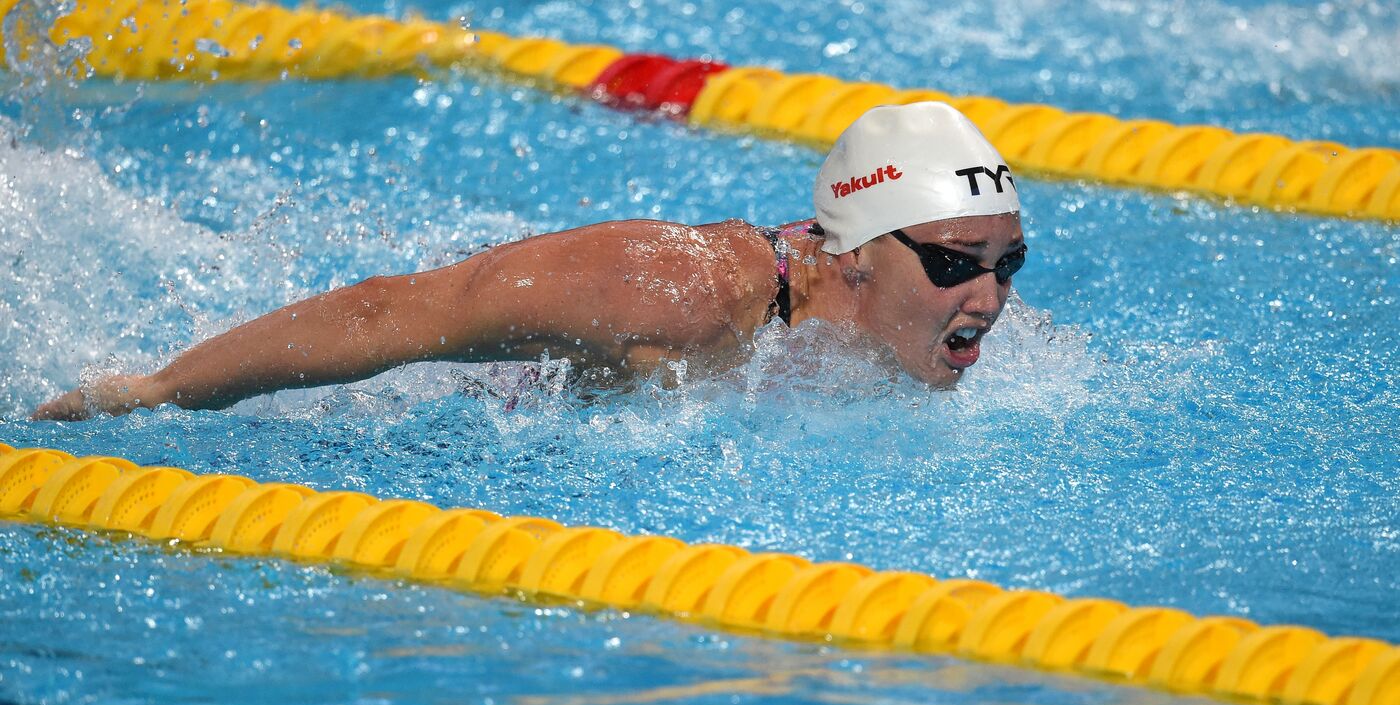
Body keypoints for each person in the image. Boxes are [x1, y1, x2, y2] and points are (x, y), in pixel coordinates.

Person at [30, 102, 1026, 421]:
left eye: (1007, 263)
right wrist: (154, 388)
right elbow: (395, 315)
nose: (986, 297)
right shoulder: (675, 292)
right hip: (424, 406)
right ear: (847, 256)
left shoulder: (934, 323)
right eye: (953, 264)